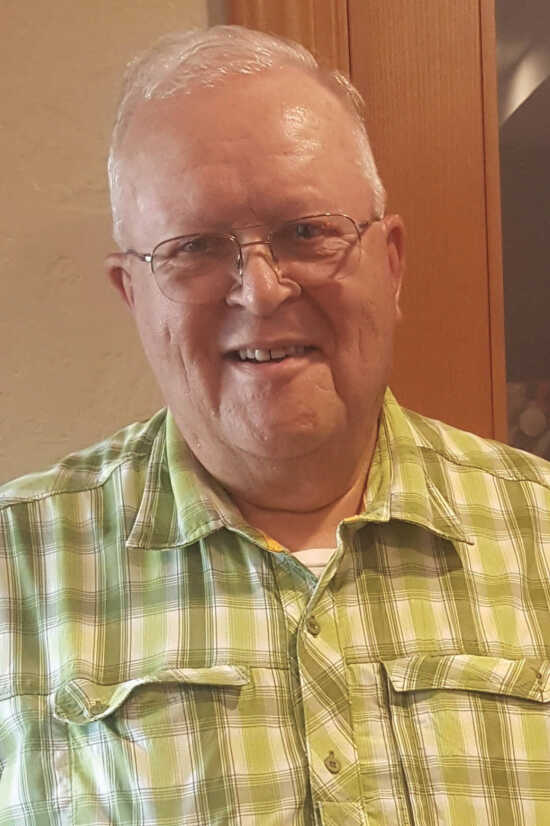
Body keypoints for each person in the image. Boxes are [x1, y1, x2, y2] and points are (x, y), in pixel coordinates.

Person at [1, 24, 550, 826]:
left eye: (307, 231)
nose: (260, 291)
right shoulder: (16, 568)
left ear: (391, 262)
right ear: (132, 294)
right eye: (195, 247)